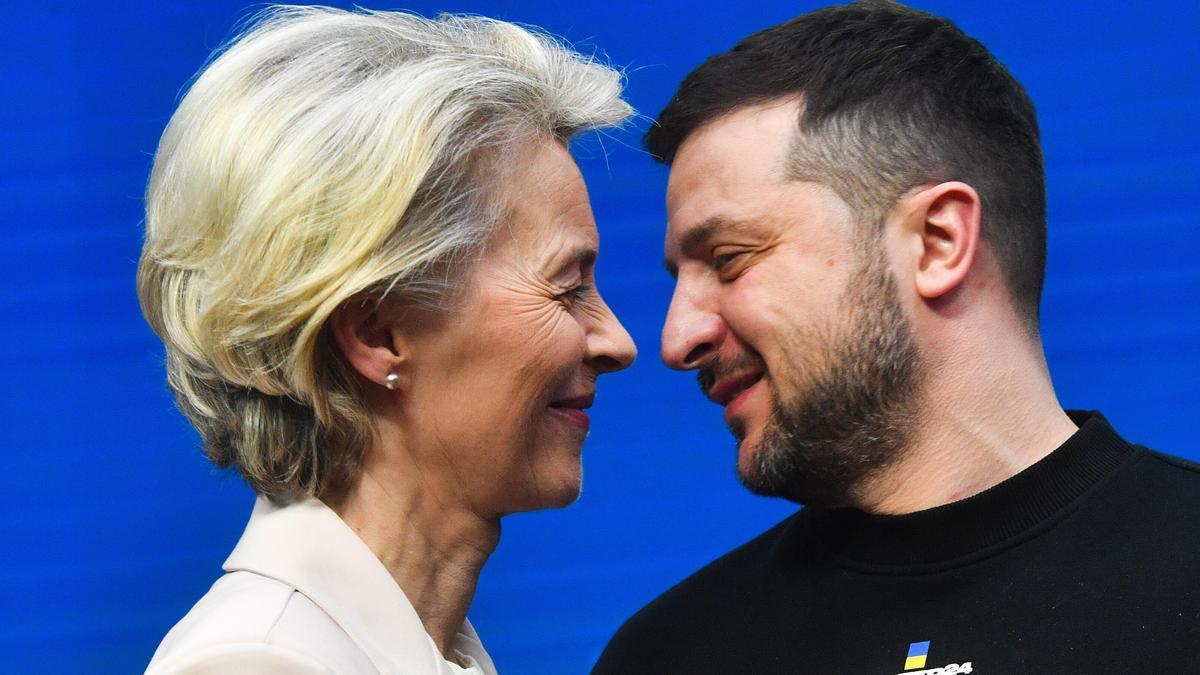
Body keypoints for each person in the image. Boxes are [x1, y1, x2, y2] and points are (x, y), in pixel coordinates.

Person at [594, 2, 1199, 673]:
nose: (677, 339)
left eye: (730, 258)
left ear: (938, 243)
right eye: (680, 279)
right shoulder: (670, 655)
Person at [138, 6, 636, 673]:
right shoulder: (262, 660)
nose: (617, 341)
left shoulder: (418, 650)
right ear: (377, 333)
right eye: (566, 285)